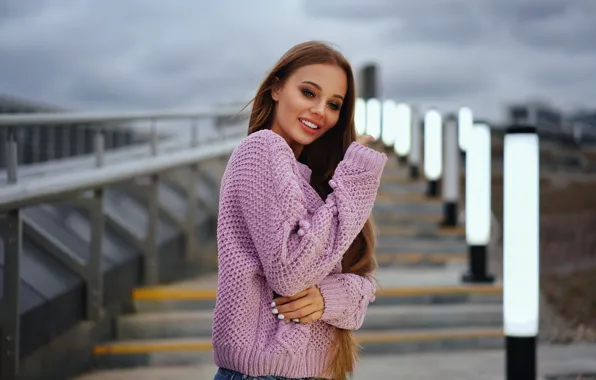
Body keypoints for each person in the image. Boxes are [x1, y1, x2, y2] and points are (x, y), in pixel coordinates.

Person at [212, 40, 387, 380]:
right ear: (276, 87)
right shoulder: (262, 149)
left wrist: (329, 297)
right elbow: (290, 272)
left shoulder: (309, 181)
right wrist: (355, 181)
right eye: (309, 93)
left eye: (334, 104)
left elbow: (362, 285)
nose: (321, 110)